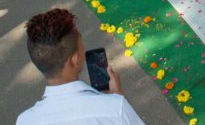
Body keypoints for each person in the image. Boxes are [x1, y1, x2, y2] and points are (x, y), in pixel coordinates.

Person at [16, 8, 144, 125]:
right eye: (81, 43)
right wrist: (118, 99)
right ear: (75, 59)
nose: (83, 47)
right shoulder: (115, 109)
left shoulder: (24, 120)